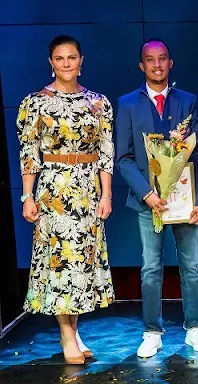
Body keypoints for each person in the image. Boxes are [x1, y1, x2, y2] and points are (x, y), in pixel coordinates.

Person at [17, 35, 115, 365]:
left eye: (71, 57)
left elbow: (106, 152)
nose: (66, 64)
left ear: (81, 60)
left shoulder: (98, 102)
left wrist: (107, 194)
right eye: (59, 59)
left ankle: (74, 330)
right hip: (53, 192)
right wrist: (26, 197)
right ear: (51, 62)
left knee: (80, 264)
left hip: (87, 191)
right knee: (59, 263)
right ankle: (66, 334)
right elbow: (29, 153)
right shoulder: (35, 103)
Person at [116, 38, 198, 358]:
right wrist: (147, 194)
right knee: (151, 268)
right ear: (141, 65)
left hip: (185, 202)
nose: (157, 65)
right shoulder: (128, 103)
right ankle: (152, 331)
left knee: (191, 266)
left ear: (171, 63)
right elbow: (124, 158)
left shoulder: (188, 101)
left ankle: (195, 328)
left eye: (162, 59)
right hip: (148, 202)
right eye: (150, 60)